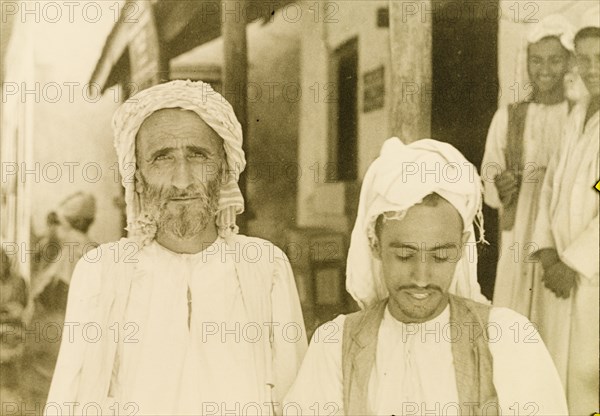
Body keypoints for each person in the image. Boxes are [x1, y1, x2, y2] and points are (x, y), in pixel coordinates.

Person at [46, 80, 307, 416]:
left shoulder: (264, 267)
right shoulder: (101, 273)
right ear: (137, 178)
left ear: (226, 170)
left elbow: (297, 402)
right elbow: (67, 403)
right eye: (162, 158)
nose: (182, 180)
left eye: (198, 155)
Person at [284, 138, 568, 416]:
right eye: (405, 255)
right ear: (375, 244)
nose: (421, 277)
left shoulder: (507, 339)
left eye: (440, 256)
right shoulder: (334, 345)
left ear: (461, 247)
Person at [481, 15, 574, 317]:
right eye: (536, 61)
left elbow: (596, 181)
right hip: (519, 234)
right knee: (516, 314)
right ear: (527, 62)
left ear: (569, 63)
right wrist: (499, 185)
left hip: (566, 237)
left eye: (555, 61)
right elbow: (488, 176)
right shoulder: (508, 116)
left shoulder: (581, 115)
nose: (544, 70)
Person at [531, 8, 600, 415]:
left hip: (590, 278)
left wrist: (574, 263)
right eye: (585, 58)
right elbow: (552, 188)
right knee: (556, 376)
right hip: (559, 274)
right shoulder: (578, 116)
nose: (592, 68)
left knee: (589, 380)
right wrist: (547, 251)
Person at [22, 192, 97, 413]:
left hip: (56, 325)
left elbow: (59, 288)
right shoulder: (88, 247)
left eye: (58, 223)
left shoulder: (73, 244)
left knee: (47, 388)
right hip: (64, 327)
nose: (53, 229)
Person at [0, 247, 28, 409]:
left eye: (3, 260)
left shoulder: (18, 281)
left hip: (13, 330)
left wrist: (11, 312)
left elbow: (21, 307)